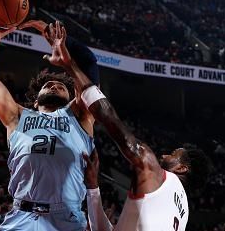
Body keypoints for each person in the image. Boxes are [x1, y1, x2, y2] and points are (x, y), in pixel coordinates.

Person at [44, 21, 212, 231]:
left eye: (172, 154)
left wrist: (70, 66)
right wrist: (93, 188)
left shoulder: (158, 174)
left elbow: (111, 120)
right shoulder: (183, 214)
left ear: (182, 167)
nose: (164, 156)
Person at [0, 13, 98, 230]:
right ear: (35, 98)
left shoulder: (80, 116)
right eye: (48, 85)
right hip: (22, 216)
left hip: (65, 218)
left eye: (62, 87)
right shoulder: (17, 116)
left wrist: (62, 43)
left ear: (72, 98)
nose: (54, 86)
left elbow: (90, 63)